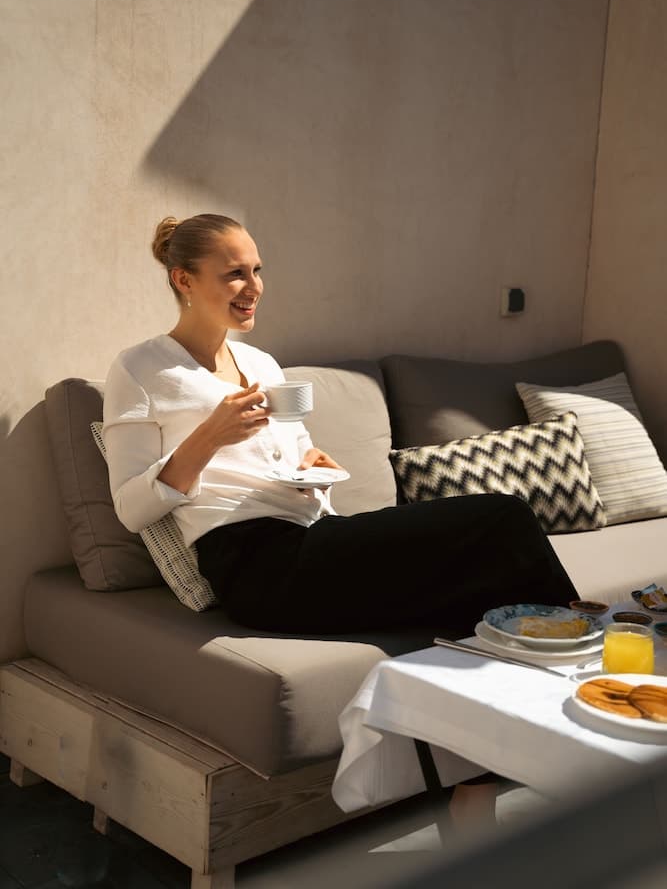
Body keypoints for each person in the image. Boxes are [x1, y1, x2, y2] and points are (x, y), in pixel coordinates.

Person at [103, 212, 579, 639]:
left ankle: (539, 664)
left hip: (313, 536)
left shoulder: (263, 364)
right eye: (234, 274)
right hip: (256, 566)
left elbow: (297, 459)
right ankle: (584, 645)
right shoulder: (141, 369)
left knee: (483, 579)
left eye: (257, 270)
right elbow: (130, 509)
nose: (254, 287)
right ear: (184, 279)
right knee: (502, 517)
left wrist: (314, 472)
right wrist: (210, 436)